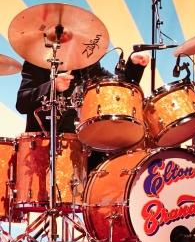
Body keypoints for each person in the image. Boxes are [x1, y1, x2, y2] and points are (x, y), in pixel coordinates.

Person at [16, 53, 149, 168]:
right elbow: (22, 103)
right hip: (45, 149)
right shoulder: (37, 61)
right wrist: (52, 86)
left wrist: (134, 66)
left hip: (86, 149)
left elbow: (117, 89)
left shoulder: (88, 64)